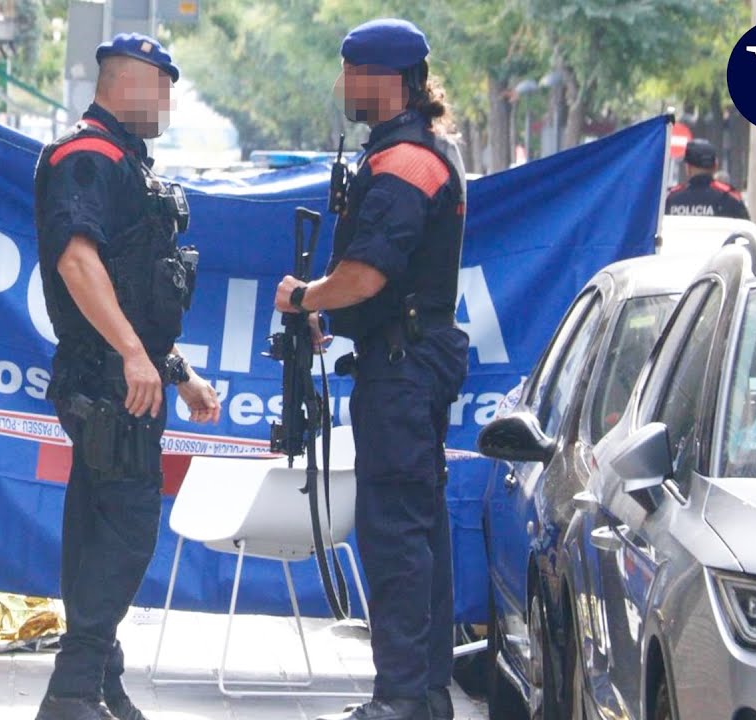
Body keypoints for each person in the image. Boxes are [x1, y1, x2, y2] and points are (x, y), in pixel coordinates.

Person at [274, 18, 469, 720]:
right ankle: (422, 694)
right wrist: (338, 312)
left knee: (396, 534)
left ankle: (403, 700)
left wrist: (307, 298)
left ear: (384, 79)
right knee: (415, 527)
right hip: (404, 356)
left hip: (404, 367)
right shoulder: (404, 152)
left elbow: (367, 271)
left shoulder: (407, 161)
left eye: (351, 71)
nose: (342, 85)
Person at [32, 33, 221, 720]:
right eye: (161, 83)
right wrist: (136, 359)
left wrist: (177, 371)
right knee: (125, 528)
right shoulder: (89, 157)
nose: (169, 98)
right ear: (124, 80)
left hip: (124, 375)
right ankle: (73, 691)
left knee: (100, 525)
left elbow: (136, 291)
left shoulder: (126, 164)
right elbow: (78, 263)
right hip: (107, 380)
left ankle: (98, 681)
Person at [664, 139, 749, 219]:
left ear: (688, 168)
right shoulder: (730, 198)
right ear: (715, 166)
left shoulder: (671, 199)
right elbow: (745, 230)